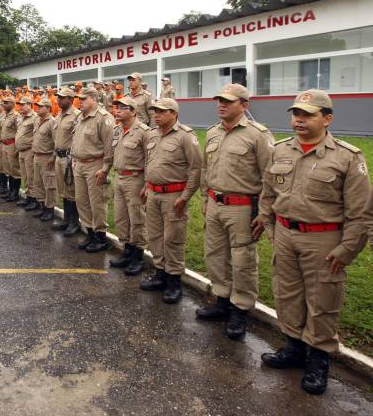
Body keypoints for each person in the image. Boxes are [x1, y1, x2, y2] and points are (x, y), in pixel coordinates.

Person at [255, 89, 371, 395]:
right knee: (287, 294)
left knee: (322, 300)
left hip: (324, 239)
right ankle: (294, 348)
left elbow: (361, 213)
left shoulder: (347, 157)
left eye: (307, 114)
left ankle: (318, 360)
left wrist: (347, 249)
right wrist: (270, 228)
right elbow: (268, 196)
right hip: (286, 235)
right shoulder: (281, 151)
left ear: (327, 118)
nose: (299, 120)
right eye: (296, 114)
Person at [197, 84, 274, 340]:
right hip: (215, 204)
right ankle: (222, 300)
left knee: (242, 260)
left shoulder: (258, 135)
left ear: (244, 105)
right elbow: (206, 170)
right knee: (215, 255)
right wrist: (205, 198)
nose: (221, 105)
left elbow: (270, 177)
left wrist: (264, 213)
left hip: (242, 207)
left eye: (228, 102)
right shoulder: (213, 133)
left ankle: (240, 309)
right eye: (219, 100)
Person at [140, 98, 202, 304]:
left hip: (173, 196)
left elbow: (195, 169)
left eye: (161, 111)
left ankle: (174, 281)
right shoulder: (153, 134)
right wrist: (147, 185)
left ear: (174, 114)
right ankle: (160, 273)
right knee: (155, 236)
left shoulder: (185, 136)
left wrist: (185, 197)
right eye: (155, 111)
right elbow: (150, 163)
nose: (156, 114)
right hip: (154, 193)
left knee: (173, 238)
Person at [106, 96, 151, 275]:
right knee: (121, 217)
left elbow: (150, 160)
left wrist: (147, 184)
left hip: (136, 178)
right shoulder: (117, 130)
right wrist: (104, 169)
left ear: (133, 111)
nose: (118, 110)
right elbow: (110, 154)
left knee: (137, 219)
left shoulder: (143, 131)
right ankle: (127, 251)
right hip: (120, 178)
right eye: (117, 107)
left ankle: (138, 256)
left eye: (123, 108)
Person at [71, 87, 115, 253]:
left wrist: (105, 169)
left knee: (97, 202)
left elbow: (109, 146)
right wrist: (75, 159)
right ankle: (90, 233)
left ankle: (100, 237)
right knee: (81, 200)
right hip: (80, 164)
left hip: (95, 165)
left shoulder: (103, 118)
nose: (80, 102)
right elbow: (76, 141)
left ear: (94, 100)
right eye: (79, 99)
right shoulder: (80, 117)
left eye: (84, 99)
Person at [52, 87, 82, 236]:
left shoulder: (76, 115)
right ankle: (66, 218)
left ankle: (74, 222)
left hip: (69, 159)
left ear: (71, 99)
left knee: (71, 191)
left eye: (63, 97)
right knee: (62, 190)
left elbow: (78, 139)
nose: (59, 100)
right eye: (58, 97)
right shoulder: (59, 115)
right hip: (58, 157)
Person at [32, 98, 57, 222]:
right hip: (37, 156)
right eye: (37, 106)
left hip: (47, 157)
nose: (37, 108)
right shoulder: (37, 120)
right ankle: (42, 207)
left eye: (41, 106)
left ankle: (50, 209)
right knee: (38, 183)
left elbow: (56, 142)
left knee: (49, 185)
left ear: (48, 108)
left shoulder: (52, 122)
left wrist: (53, 157)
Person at [15, 96, 39, 210]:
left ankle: (34, 199)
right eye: (20, 105)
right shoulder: (21, 118)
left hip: (29, 151)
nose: (21, 107)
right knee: (25, 176)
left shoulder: (35, 118)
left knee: (31, 176)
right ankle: (28, 197)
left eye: (23, 104)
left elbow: (36, 136)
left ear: (30, 105)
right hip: (21, 151)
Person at [1, 95, 22, 202]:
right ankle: (10, 190)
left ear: (12, 104)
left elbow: (19, 132)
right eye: (3, 102)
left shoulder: (16, 116)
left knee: (14, 169)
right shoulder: (5, 115)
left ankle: (15, 193)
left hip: (12, 145)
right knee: (8, 169)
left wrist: (17, 147)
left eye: (6, 102)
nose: (4, 104)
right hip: (5, 145)